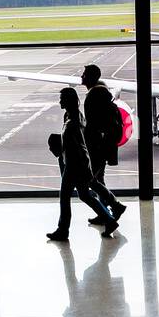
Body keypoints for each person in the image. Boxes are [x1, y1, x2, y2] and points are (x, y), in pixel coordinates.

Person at [48, 87, 118, 242]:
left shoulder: (73, 121)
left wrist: (85, 167)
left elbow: (80, 146)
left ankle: (63, 230)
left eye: (62, 98)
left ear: (68, 100)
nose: (60, 101)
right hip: (74, 163)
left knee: (64, 198)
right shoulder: (73, 116)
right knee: (85, 195)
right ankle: (110, 220)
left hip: (74, 164)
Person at [80, 64, 127, 226]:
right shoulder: (101, 93)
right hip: (102, 143)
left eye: (84, 74)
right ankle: (105, 211)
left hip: (98, 145)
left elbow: (95, 124)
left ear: (91, 77)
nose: (82, 77)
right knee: (98, 178)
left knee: (91, 180)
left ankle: (115, 205)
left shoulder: (95, 95)